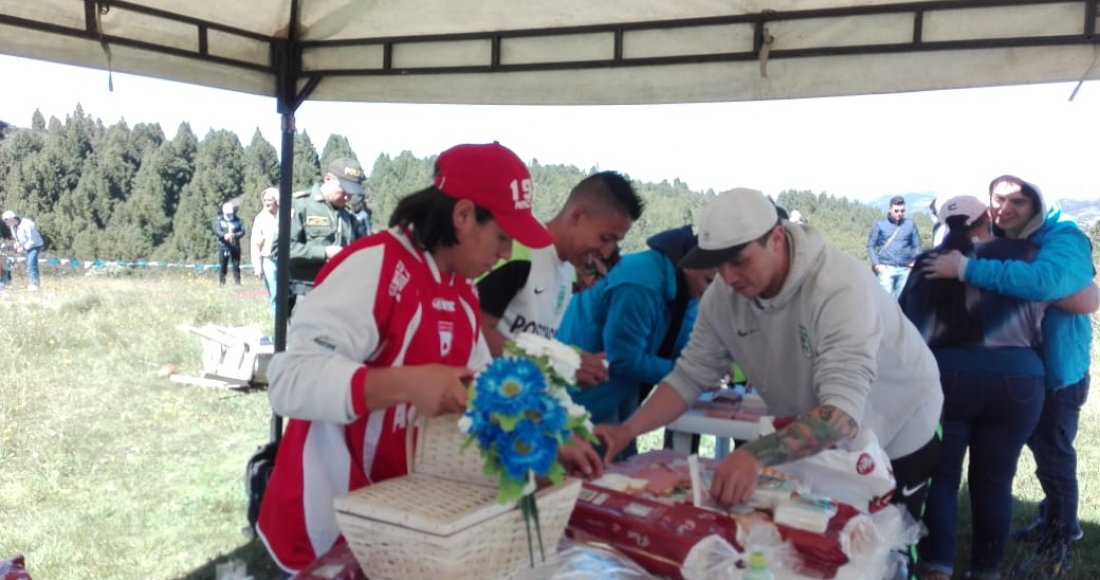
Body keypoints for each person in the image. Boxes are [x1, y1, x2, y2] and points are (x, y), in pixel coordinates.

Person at [256, 142, 603, 575]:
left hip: (400, 525)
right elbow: (289, 381)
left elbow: (479, 385)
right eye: (501, 237)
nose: (505, 253)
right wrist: (407, 383)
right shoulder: (376, 266)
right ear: (462, 216)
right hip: (325, 527)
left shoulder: (461, 288)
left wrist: (545, 436)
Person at [597, 189, 943, 562]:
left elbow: (842, 415)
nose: (727, 278)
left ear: (776, 239)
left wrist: (754, 455)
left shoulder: (839, 287)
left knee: (881, 552)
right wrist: (627, 431)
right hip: (817, 434)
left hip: (897, 427)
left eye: (739, 261)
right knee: (814, 549)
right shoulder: (724, 295)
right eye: (717, 265)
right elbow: (688, 377)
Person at [899, 195, 1096, 580]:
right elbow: (1072, 297)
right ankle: (986, 569)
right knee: (995, 480)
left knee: (942, 477)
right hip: (1019, 380)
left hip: (947, 377)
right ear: (985, 219)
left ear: (943, 223)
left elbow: (905, 328)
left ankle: (938, 565)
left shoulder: (926, 264)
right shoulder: (1026, 255)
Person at [477, 170, 645, 387]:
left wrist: (571, 358)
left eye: (615, 242)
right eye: (605, 238)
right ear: (576, 216)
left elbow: (530, 339)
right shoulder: (520, 252)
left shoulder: (566, 271)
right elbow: (477, 332)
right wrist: (558, 363)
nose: (606, 252)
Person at [558, 225, 715, 436]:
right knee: (599, 459)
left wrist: (705, 361)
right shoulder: (640, 285)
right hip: (583, 390)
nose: (709, 292)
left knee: (625, 458)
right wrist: (692, 374)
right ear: (691, 264)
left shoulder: (689, 288)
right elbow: (624, 359)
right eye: (709, 281)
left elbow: (683, 343)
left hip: (622, 386)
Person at [287, 157, 365, 311]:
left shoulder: (347, 216)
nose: (347, 197)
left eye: (351, 193)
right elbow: (284, 249)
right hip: (306, 295)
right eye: (344, 190)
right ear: (327, 179)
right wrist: (323, 252)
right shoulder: (301, 205)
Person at [866, 195, 922, 298]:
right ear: (890, 209)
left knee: (902, 302)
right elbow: (870, 246)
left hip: (905, 269)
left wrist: (915, 261)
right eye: (896, 211)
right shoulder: (880, 225)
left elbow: (917, 245)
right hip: (885, 269)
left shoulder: (910, 225)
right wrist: (876, 265)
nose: (899, 213)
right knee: (886, 301)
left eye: (902, 211)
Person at [250, 187, 280, 311]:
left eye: (270, 200)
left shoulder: (287, 214)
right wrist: (257, 267)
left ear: (276, 200)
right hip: (269, 259)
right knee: (275, 292)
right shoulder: (260, 219)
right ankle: (275, 321)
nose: (267, 203)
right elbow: (255, 244)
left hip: (287, 258)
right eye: (265, 200)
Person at [2, 210, 44, 291]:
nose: (6, 224)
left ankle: (34, 284)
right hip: (26, 245)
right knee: (29, 263)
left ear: (12, 219)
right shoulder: (12, 226)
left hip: (35, 245)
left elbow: (32, 240)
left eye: (7, 221)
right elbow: (18, 239)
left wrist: (23, 247)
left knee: (31, 262)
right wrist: (17, 244)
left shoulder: (28, 224)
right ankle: (35, 283)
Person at [214, 202, 245, 286]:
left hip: (235, 247)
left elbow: (242, 231)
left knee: (236, 265)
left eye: (230, 213)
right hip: (223, 246)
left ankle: (237, 283)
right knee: (223, 265)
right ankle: (222, 283)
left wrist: (234, 235)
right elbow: (217, 231)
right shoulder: (219, 221)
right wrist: (224, 235)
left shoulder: (238, 220)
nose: (229, 215)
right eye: (227, 213)